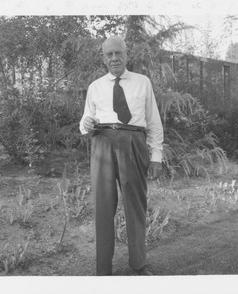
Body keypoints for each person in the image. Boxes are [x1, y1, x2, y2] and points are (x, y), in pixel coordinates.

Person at [79, 35, 164, 276]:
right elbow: (84, 124)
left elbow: (154, 121)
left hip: (133, 142)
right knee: (103, 207)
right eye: (109, 54)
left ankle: (138, 265)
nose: (114, 58)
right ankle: (103, 269)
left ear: (127, 55)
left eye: (119, 53)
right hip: (102, 143)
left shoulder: (142, 82)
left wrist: (157, 156)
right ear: (103, 58)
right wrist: (86, 123)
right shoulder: (95, 86)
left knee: (135, 205)